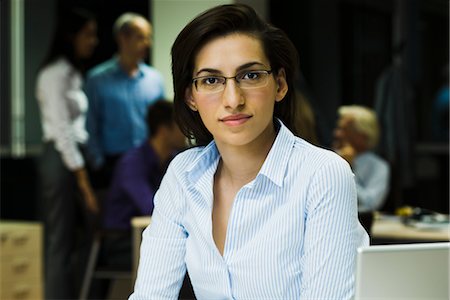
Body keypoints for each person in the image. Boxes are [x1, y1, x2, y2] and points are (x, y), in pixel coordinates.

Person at [130, 4, 369, 299]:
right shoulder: (184, 174)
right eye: (211, 80)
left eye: (251, 76)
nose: (233, 99)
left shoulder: (322, 173)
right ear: (191, 97)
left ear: (279, 84)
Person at [35, 7, 99, 299]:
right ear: (71, 36)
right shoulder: (54, 74)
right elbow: (62, 131)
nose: (93, 41)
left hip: (75, 158)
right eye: (88, 35)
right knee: (61, 239)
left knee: (83, 236)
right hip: (61, 159)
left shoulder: (72, 73)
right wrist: (83, 180)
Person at [84, 12, 165, 189]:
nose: (148, 44)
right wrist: (99, 164)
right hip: (112, 163)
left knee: (150, 212)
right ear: (123, 38)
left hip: (149, 161)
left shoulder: (155, 79)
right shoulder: (97, 80)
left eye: (149, 38)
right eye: (141, 37)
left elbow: (162, 124)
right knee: (116, 215)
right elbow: (90, 125)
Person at [332, 105, 391, 235]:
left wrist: (346, 171)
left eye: (346, 130)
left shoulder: (379, 166)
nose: (337, 134)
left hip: (362, 230)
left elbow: (371, 204)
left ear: (363, 134)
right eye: (338, 128)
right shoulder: (328, 160)